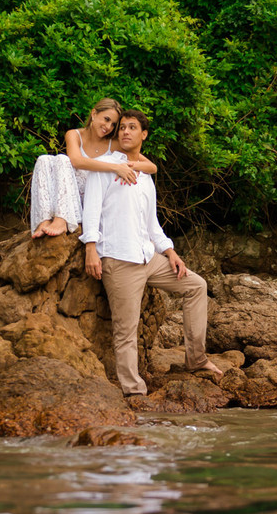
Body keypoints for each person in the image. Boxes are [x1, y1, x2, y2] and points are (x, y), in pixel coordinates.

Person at [79, 109, 222, 396]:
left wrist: (170, 251)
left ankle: (196, 359)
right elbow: (91, 211)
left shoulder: (145, 175)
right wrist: (91, 249)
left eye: (132, 128)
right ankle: (134, 391)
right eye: (122, 128)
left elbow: (151, 223)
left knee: (196, 286)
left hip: (149, 257)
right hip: (119, 260)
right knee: (125, 331)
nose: (125, 132)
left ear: (144, 135)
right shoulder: (104, 167)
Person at [30, 98, 158, 238]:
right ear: (94, 114)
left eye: (113, 124)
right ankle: (43, 221)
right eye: (106, 119)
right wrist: (115, 167)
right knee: (44, 160)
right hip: (71, 195)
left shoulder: (114, 143)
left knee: (61, 159)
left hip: (93, 198)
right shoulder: (74, 134)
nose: (108, 127)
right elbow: (76, 161)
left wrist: (127, 166)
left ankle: (62, 220)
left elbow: (152, 167)